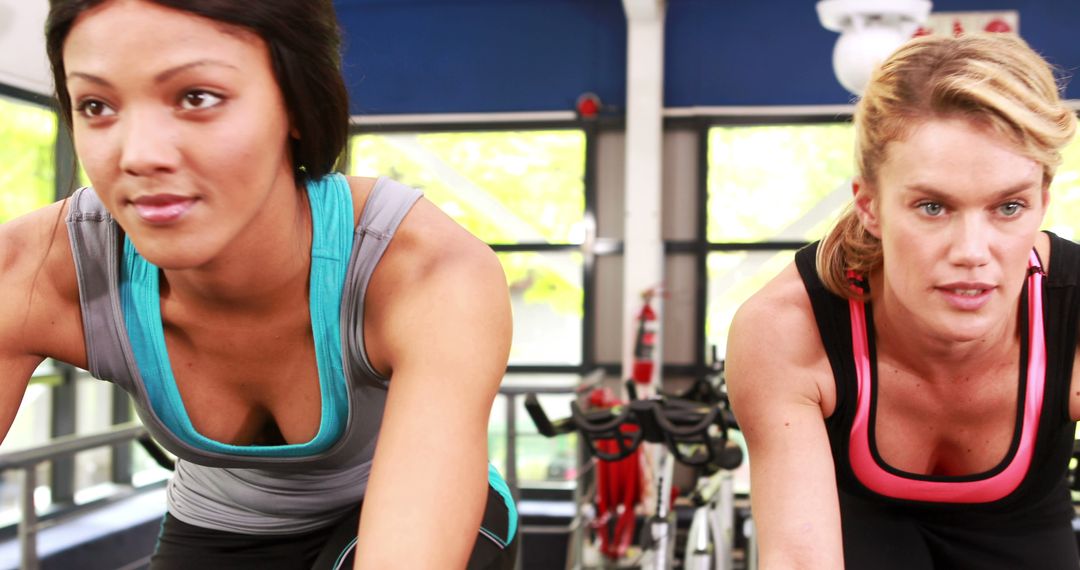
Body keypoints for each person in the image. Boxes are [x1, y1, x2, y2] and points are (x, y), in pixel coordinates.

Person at [0, 0, 518, 568]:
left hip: (400, 511)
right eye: (97, 106)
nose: (139, 156)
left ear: (296, 102)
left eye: (197, 97)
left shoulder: (424, 270)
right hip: (218, 523)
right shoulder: (30, 271)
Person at [727, 32, 1080, 569]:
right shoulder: (785, 329)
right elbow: (800, 560)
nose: (972, 252)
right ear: (869, 206)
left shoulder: (1072, 310)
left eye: (1008, 207)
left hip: (1027, 532)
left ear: (1042, 202)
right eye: (933, 207)